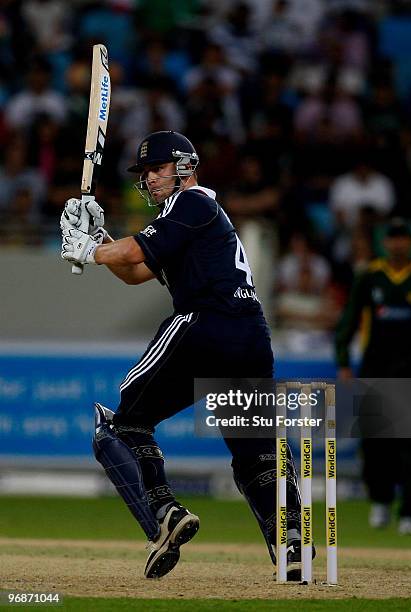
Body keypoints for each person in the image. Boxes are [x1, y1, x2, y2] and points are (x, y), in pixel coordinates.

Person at [60, 130, 305, 579]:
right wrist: (100, 236)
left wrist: (88, 249)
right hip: (250, 336)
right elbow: (135, 271)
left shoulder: (192, 203)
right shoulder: (189, 218)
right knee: (255, 451)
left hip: (207, 324)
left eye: (157, 168)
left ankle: (165, 511)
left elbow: (132, 251)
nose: (151, 179)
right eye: (146, 172)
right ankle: (292, 547)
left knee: (125, 420)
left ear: (184, 167)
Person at [335, 218, 411, 535]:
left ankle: (410, 512)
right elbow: (350, 319)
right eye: (392, 239)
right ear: (386, 243)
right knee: (375, 443)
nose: (397, 244)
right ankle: (381, 501)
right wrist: (343, 360)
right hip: (375, 371)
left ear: (410, 243)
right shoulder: (370, 276)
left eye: (403, 239)